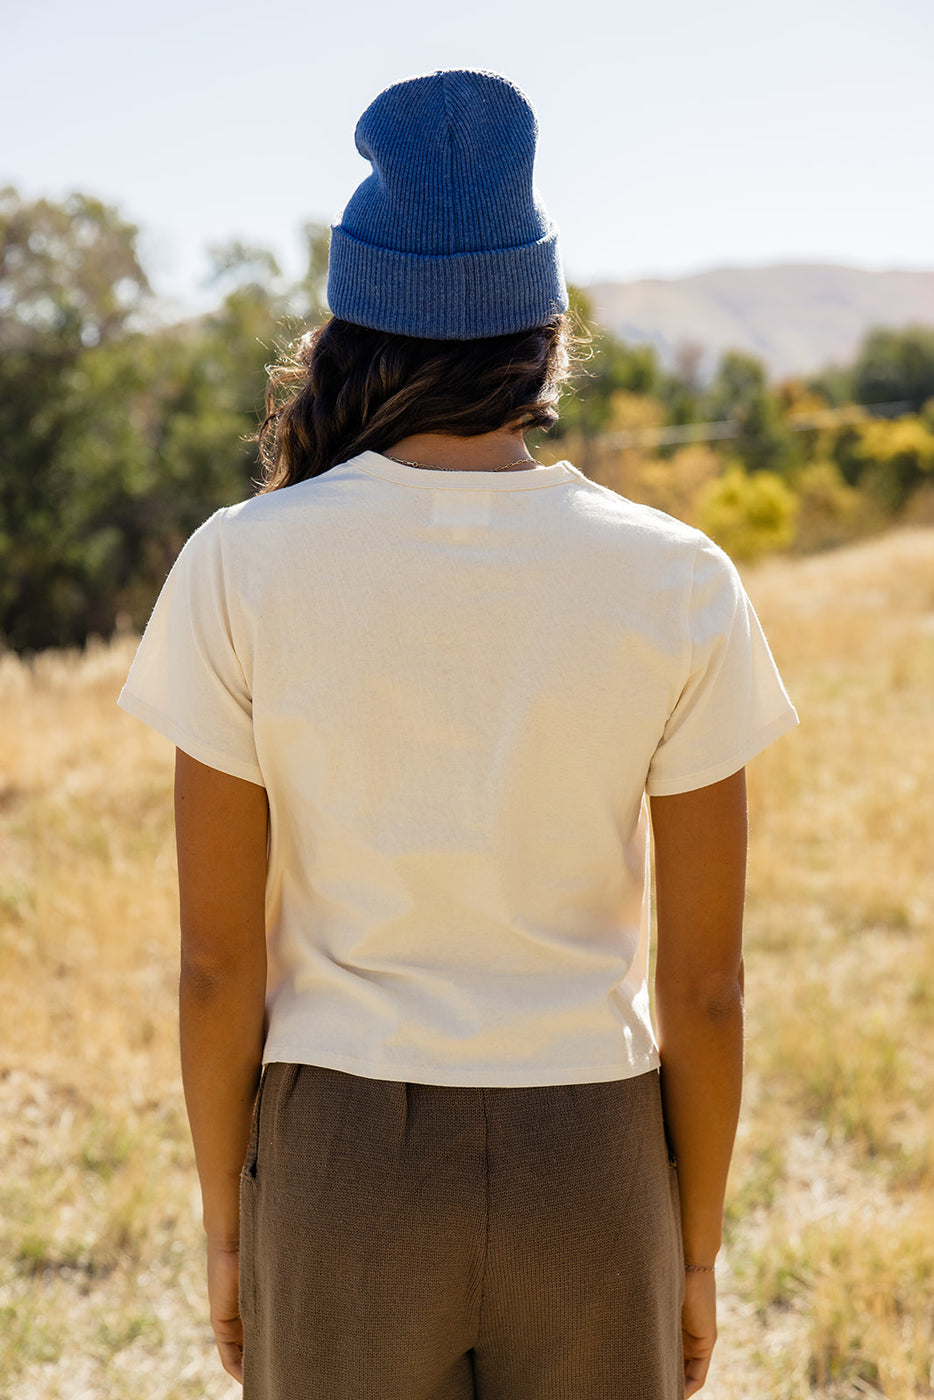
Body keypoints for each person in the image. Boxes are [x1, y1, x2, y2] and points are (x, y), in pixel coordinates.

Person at [119, 69, 798, 1400]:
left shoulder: (240, 565)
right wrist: (694, 1248)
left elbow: (214, 965)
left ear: (353, 323)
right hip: (593, 1168)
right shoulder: (676, 577)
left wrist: (225, 1227)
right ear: (542, 333)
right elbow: (707, 987)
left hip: (339, 1172)